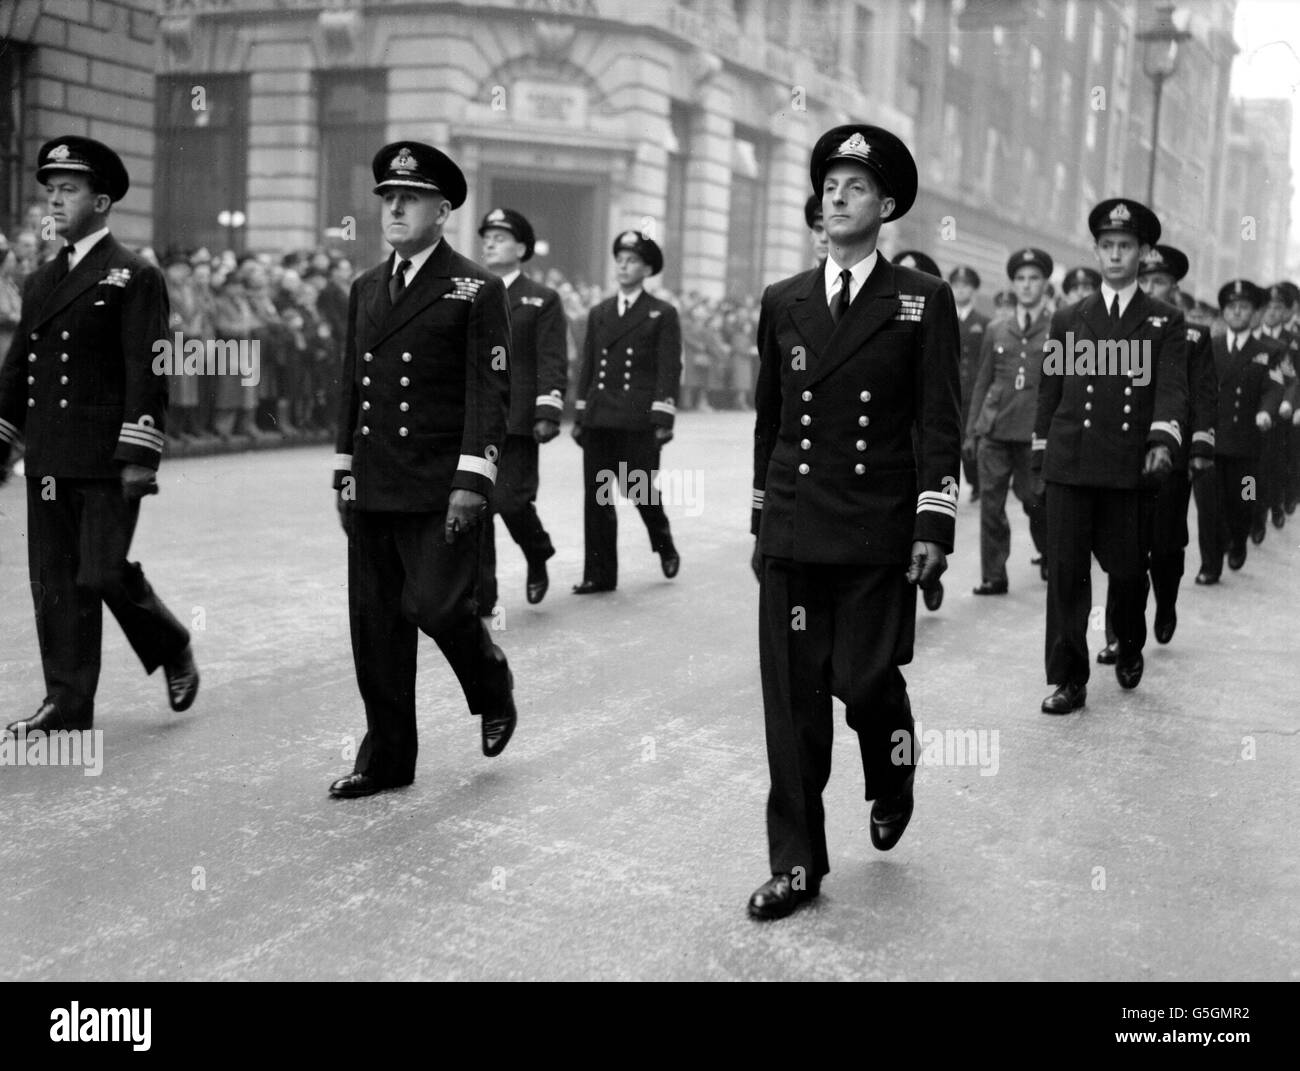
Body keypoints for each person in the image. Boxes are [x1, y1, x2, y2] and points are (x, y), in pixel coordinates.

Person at [747, 124, 960, 920]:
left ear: (888, 206)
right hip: (797, 528)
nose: (838, 197)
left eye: (857, 187)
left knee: (865, 682)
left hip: (877, 527)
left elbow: (937, 421)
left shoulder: (921, 300)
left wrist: (933, 523)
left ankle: (894, 763)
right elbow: (769, 423)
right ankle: (797, 865)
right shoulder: (784, 300)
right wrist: (763, 523)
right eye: (830, 185)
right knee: (795, 702)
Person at [328, 141, 516, 799]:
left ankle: (491, 683)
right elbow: (351, 382)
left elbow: (488, 391)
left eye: (410, 197)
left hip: (440, 485)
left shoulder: (475, 287)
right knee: (375, 624)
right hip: (375, 481)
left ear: (442, 210)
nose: (395, 207)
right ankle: (386, 759)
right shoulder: (365, 287)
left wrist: (472, 479)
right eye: (387, 197)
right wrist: (344, 466)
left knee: (437, 608)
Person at [0, 136, 199, 734]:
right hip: (51, 457)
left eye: (70, 191)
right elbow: (16, 370)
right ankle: (67, 702)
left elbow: (149, 365)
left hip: (109, 456)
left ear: (103, 201)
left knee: (102, 571)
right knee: (57, 581)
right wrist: (3, 438)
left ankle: (171, 644)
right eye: (50, 192)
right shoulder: (39, 282)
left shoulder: (133, 274)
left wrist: (142, 451)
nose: (54, 203)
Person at [1033, 199, 1187, 716]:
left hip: (1127, 467)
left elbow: (1171, 389)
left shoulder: (1165, 322)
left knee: (1125, 571)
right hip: (1071, 463)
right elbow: (1050, 391)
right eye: (1107, 246)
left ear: (1143, 253)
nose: (1115, 255)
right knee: (1067, 574)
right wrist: (1040, 456)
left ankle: (1129, 638)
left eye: (1126, 246)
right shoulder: (1068, 317)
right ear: (1096, 250)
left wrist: (1162, 441)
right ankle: (1069, 679)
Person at [1096, 244, 1215, 654]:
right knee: (1123, 547)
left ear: (1174, 286)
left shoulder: (1194, 334)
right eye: (1143, 279)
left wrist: (1200, 446)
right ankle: (1119, 634)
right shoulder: (1118, 325)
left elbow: (1201, 395)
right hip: (1123, 453)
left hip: (1171, 455)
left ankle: (1166, 602)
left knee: (1165, 545)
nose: (1149, 287)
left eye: (1158, 281)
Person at [570, 230, 682, 594]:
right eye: (619, 258)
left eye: (632, 260)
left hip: (636, 420)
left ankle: (663, 543)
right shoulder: (600, 311)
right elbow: (588, 367)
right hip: (601, 418)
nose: (623, 265)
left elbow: (668, 367)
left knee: (641, 492)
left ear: (647, 268)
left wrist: (663, 417)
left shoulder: (661, 313)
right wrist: (581, 413)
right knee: (599, 498)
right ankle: (599, 575)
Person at [476, 207, 567, 609]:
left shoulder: (541, 298)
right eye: (487, 237)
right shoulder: (473, 292)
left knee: (511, 502)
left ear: (522, 247)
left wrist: (548, 410)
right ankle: (483, 596)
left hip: (517, 418)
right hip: (477, 417)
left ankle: (537, 551)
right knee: (476, 506)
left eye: (500, 237)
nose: (490, 243)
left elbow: (551, 358)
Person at [965, 248, 1052, 594]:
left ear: (1045, 283)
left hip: (1034, 431)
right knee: (991, 503)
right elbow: (983, 381)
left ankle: (1050, 554)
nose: (1027, 286)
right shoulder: (997, 328)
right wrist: (972, 430)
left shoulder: (1059, 326)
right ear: (1012, 284)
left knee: (1035, 500)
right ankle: (994, 575)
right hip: (995, 428)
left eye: (1033, 279)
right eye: (1020, 279)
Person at [1191, 280, 1284, 583]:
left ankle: (1239, 540)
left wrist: (1266, 412)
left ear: (1254, 314)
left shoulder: (1266, 352)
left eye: (1244, 307)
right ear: (1224, 312)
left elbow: (1274, 387)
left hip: (1247, 446)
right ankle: (1210, 565)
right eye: (1232, 307)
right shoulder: (1211, 345)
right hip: (1212, 443)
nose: (1237, 312)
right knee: (1208, 508)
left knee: (1244, 501)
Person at [1252, 283, 1298, 535]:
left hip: (1279, 415)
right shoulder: (1252, 335)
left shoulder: (1291, 342)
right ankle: (1252, 512)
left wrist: (1290, 404)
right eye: (1267, 307)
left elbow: (1293, 379)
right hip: (1249, 412)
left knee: (1272, 466)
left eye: (1277, 307)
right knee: (1250, 469)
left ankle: (1272, 505)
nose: (1271, 312)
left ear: (1285, 311)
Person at [949, 265, 988, 504]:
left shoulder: (983, 322)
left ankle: (976, 483)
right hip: (949, 388)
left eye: (965, 286)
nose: (960, 290)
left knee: (969, 441)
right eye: (956, 285)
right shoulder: (945, 316)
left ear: (973, 290)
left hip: (972, 391)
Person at [804, 194, 828, 266]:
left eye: (830, 231)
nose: (824, 238)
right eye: (818, 229)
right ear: (811, 234)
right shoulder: (802, 277)